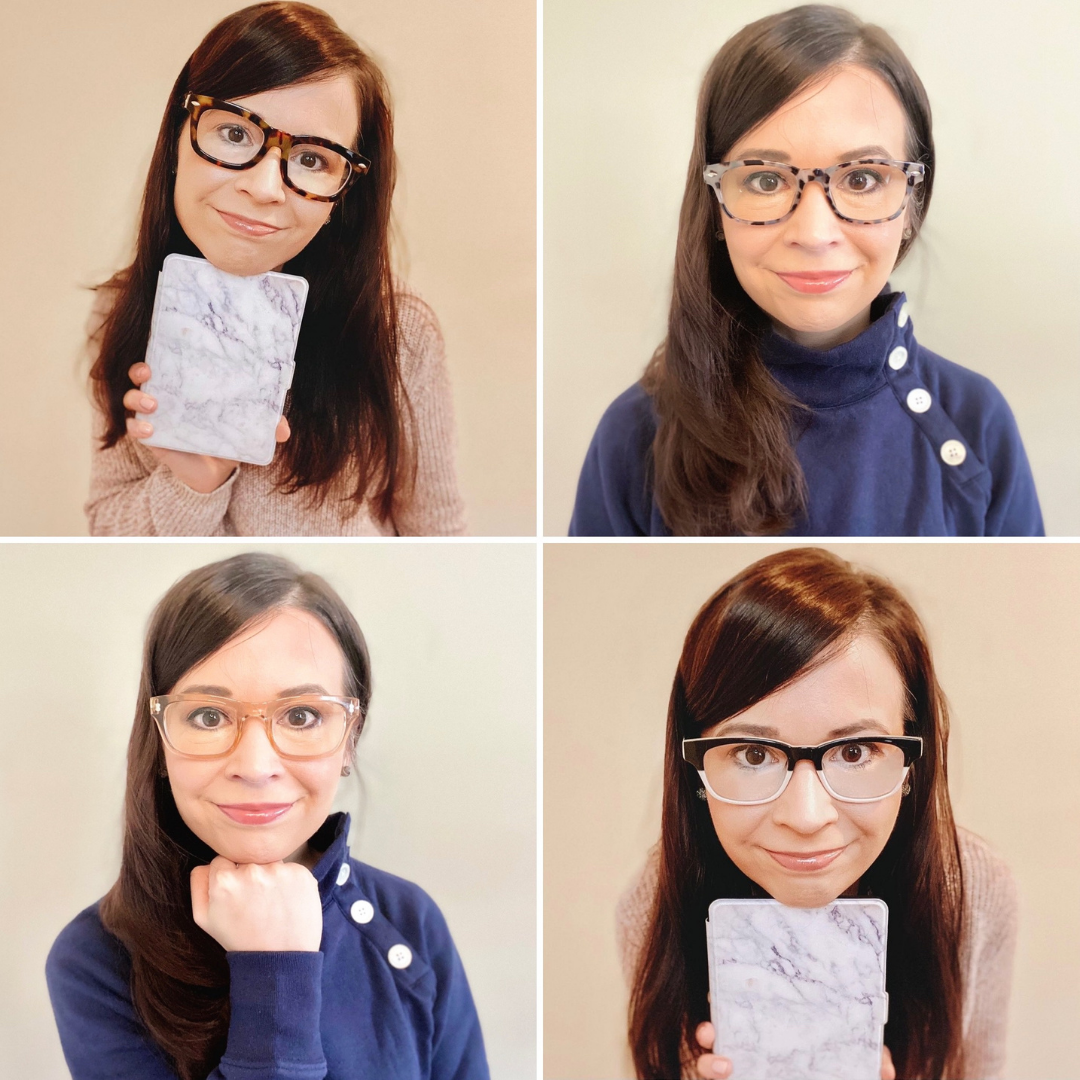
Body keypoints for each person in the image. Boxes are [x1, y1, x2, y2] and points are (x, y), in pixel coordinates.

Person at [570, 5, 1042, 537]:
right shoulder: (635, 435)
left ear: (913, 201)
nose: (814, 234)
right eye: (767, 180)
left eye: (862, 178)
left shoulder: (975, 424)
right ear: (716, 205)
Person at [46, 553, 489, 1080]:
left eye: (302, 716)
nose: (255, 767)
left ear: (349, 739)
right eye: (208, 717)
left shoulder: (410, 923)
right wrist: (274, 973)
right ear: (159, 738)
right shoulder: (95, 959)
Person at [618, 548, 1016, 1079]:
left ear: (912, 764)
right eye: (754, 755)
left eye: (855, 752)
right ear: (696, 769)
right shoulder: (654, 903)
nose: (806, 818)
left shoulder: (972, 892)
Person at [85, 2, 466, 536]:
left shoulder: (399, 331)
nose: (263, 188)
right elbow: (105, 526)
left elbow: (437, 534)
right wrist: (194, 482)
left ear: (345, 195)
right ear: (177, 135)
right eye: (235, 134)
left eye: (312, 159)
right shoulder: (127, 306)